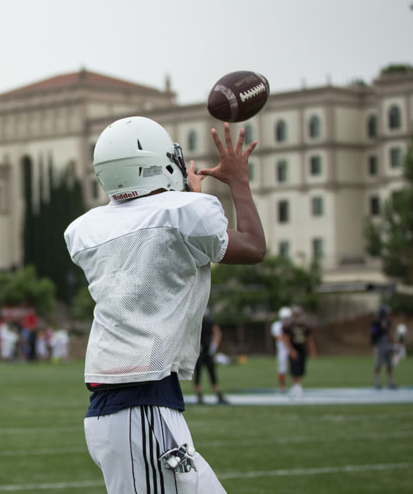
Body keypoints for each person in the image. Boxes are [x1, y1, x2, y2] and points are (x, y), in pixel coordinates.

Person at [64, 118, 265, 492]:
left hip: (132, 405)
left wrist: (185, 198)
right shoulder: (184, 213)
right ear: (159, 163)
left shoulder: (88, 228)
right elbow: (253, 247)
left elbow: (156, 244)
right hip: (139, 407)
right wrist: (238, 180)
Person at [193, 310, 228, 405]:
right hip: (199, 351)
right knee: (198, 374)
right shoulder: (195, 321)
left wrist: (213, 346)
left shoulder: (210, 321)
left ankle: (219, 395)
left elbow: (217, 333)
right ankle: (199, 397)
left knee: (212, 373)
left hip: (207, 351)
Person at [284, 306, 317, 398]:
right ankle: (296, 386)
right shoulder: (289, 326)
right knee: (294, 368)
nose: (297, 316)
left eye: (298, 314)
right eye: (296, 315)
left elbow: (310, 339)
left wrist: (313, 351)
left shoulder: (305, 326)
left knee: (301, 368)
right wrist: (291, 350)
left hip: (302, 348)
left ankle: (297, 386)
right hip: (294, 347)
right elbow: (286, 338)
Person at [370, 305, 397, 389]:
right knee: (378, 363)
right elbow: (373, 333)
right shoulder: (375, 323)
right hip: (380, 345)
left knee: (389, 364)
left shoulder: (388, 322)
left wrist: (392, 343)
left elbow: (389, 333)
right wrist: (380, 328)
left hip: (387, 345)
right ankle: (377, 381)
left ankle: (391, 381)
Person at [270, 306, 292, 393]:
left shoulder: (291, 325)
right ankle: (282, 386)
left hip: (291, 348)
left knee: (294, 368)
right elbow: (278, 337)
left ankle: (295, 385)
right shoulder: (276, 325)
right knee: (282, 369)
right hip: (282, 349)